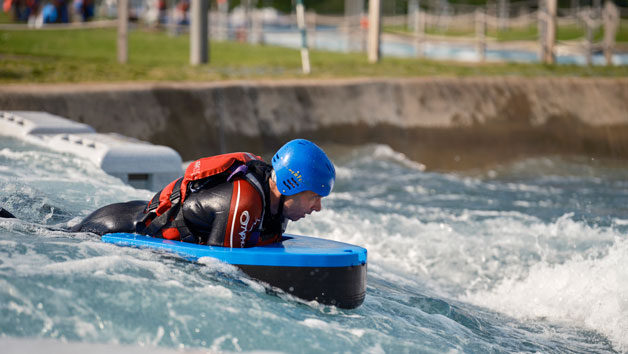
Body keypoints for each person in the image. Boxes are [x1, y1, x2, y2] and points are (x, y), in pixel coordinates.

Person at [71, 139, 336, 248]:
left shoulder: (275, 202)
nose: (318, 208)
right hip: (114, 229)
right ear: (292, 185)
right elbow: (222, 272)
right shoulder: (245, 201)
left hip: (130, 217)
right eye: (315, 197)